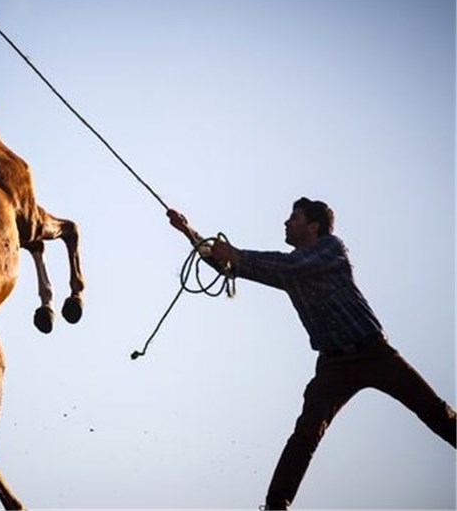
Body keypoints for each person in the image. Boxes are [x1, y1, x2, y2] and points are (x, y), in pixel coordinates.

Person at [166, 197, 456, 510]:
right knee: (305, 434)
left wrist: (236, 254)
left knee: (434, 410)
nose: (286, 222)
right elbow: (230, 265)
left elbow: (289, 264)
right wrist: (189, 232)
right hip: (333, 365)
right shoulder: (286, 270)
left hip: (374, 352)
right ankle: (276, 505)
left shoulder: (331, 248)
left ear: (313, 225)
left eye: (294, 217)